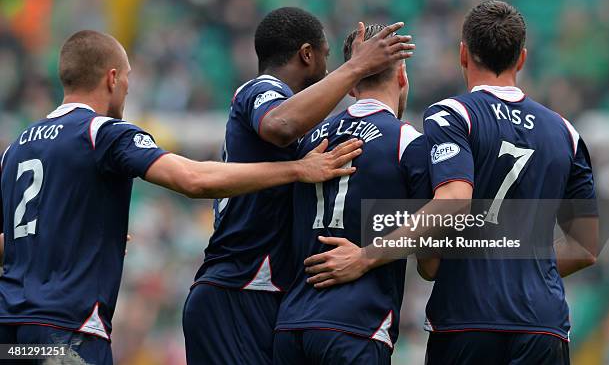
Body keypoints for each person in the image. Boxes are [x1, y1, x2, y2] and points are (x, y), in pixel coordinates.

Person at [0, 30, 365, 364]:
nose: (128, 88)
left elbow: (10, 243)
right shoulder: (102, 133)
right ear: (112, 78)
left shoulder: (16, 148)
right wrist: (297, 169)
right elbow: (194, 180)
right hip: (67, 328)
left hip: (11, 331)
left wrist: (79, 238)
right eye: (127, 77)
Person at [303, 1, 599, 365]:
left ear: (463, 54)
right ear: (521, 59)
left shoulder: (452, 116)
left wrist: (367, 255)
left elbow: (447, 217)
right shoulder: (566, 132)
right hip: (544, 325)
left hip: (466, 321)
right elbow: (586, 246)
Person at [182, 7, 415, 365]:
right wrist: (356, 66)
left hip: (276, 304)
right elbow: (280, 125)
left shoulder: (315, 136)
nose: (330, 70)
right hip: (239, 286)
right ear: (307, 54)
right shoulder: (262, 90)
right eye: (326, 57)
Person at [272, 24, 430, 365]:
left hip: (291, 325)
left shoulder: (309, 140)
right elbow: (431, 242)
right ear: (402, 75)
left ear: (350, 83)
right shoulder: (409, 142)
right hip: (357, 326)